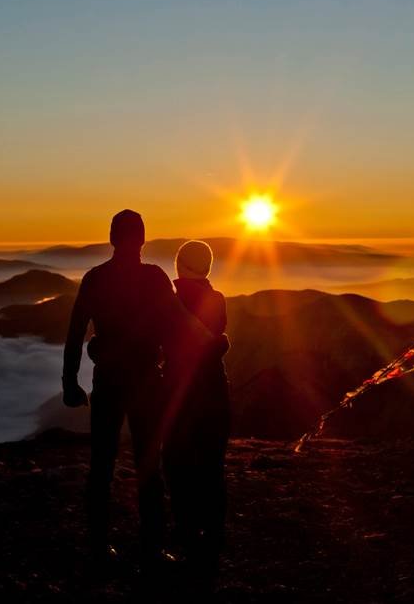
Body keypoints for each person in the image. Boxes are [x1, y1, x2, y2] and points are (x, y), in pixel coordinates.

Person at [62, 209, 197, 571]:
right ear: (141, 239)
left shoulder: (95, 278)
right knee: (149, 464)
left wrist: (69, 381)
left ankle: (97, 545)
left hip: (108, 379)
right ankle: (152, 548)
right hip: (146, 380)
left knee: (101, 464)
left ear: (111, 238)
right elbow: (176, 325)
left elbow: (76, 331)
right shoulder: (154, 278)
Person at [161, 240, 232, 586]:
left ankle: (188, 539)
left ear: (181, 266)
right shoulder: (217, 301)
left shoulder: (170, 302)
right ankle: (213, 538)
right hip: (216, 394)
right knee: (212, 467)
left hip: (181, 395)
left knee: (177, 466)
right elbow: (215, 343)